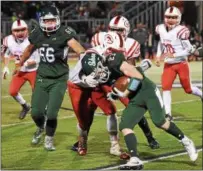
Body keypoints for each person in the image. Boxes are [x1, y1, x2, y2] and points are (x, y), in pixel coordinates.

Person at [81, 31, 198, 169]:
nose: (98, 74)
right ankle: (135, 159)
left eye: (98, 70)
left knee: (160, 122)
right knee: (125, 125)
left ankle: (186, 141)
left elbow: (138, 77)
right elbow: (117, 81)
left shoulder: (114, 60)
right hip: (134, 97)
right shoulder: (97, 70)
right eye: (94, 73)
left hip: (147, 91)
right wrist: (115, 93)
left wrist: (124, 93)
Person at [71, 15, 159, 153]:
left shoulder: (131, 44)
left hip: (117, 79)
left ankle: (150, 137)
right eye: (112, 29)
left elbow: (129, 68)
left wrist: (123, 86)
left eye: (119, 29)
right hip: (100, 79)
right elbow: (93, 60)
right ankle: (82, 140)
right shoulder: (99, 38)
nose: (116, 32)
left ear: (126, 30)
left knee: (133, 105)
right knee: (90, 108)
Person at [14, 5, 85, 151]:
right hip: (42, 76)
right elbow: (29, 49)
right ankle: (41, 127)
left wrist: (84, 62)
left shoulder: (64, 33)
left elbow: (79, 49)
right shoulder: (37, 33)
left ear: (57, 20)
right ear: (41, 21)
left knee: (52, 113)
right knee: (36, 113)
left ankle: (49, 139)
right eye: (46, 21)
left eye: (52, 20)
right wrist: (19, 63)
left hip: (59, 78)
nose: (49, 24)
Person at [155, 6, 202, 121]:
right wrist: (158, 55)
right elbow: (161, 43)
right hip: (168, 64)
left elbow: (189, 50)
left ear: (179, 18)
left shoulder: (182, 31)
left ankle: (201, 94)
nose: (171, 19)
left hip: (181, 63)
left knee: (188, 89)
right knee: (166, 88)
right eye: (168, 17)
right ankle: (168, 113)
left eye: (174, 17)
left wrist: (174, 55)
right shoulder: (160, 28)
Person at [2, 19, 39, 120]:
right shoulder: (8, 40)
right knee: (13, 91)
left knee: (38, 93)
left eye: (22, 30)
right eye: (17, 30)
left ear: (27, 30)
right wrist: (5, 67)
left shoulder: (33, 40)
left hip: (34, 70)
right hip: (20, 70)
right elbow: (6, 54)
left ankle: (42, 112)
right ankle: (25, 106)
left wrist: (27, 62)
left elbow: (41, 58)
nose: (20, 33)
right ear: (12, 31)